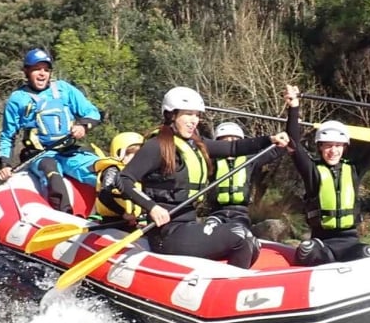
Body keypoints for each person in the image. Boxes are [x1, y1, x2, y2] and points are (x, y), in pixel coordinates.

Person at [112, 88, 289, 269]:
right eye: (188, 114)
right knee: (240, 236)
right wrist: (152, 207)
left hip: (188, 225)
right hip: (167, 233)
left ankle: (225, 278)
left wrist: (270, 139)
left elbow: (234, 148)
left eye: (197, 115)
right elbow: (123, 179)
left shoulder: (196, 144)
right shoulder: (156, 146)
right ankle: (228, 283)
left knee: (250, 242)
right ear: (171, 115)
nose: (194, 120)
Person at [284, 83, 370, 265]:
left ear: (344, 148)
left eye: (338, 146)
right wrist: (293, 107)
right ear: (320, 147)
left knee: (369, 253)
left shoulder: (354, 169)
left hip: (350, 243)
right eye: (328, 145)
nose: (333, 151)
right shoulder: (312, 170)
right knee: (306, 250)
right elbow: (293, 143)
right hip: (322, 243)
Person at [0, 46, 102, 211]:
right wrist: (4, 164)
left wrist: (83, 126)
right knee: (52, 172)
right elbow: (7, 136)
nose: (42, 74)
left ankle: (123, 213)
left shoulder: (64, 89)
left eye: (46, 70)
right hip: (40, 155)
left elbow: (92, 113)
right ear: (26, 71)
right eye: (36, 69)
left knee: (106, 170)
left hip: (69, 152)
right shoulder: (18, 99)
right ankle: (64, 215)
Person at [204, 121, 278, 229]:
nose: (230, 143)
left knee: (240, 234)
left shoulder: (251, 160)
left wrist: (290, 131)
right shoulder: (211, 162)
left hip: (240, 212)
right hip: (216, 212)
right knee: (208, 230)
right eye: (225, 141)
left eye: (235, 140)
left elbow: (276, 151)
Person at [90, 131, 144, 227]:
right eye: (131, 154)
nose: (137, 159)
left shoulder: (135, 172)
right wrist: (123, 213)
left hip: (130, 220)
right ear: (119, 153)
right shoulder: (112, 170)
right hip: (112, 221)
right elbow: (104, 195)